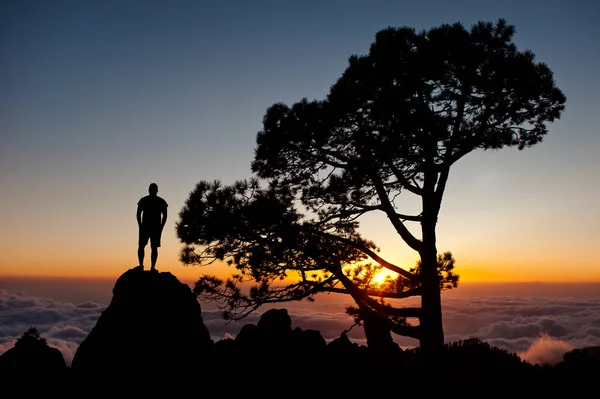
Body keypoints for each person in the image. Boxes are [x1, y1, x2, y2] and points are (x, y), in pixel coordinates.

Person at [137, 183, 168, 271]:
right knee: (143, 246)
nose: (152, 191)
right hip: (147, 227)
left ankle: (151, 267)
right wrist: (140, 226)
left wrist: (161, 227)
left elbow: (165, 216)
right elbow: (138, 214)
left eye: (153, 189)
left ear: (156, 191)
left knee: (153, 247)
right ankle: (142, 266)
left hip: (154, 228)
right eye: (151, 189)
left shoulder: (161, 202)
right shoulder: (144, 200)